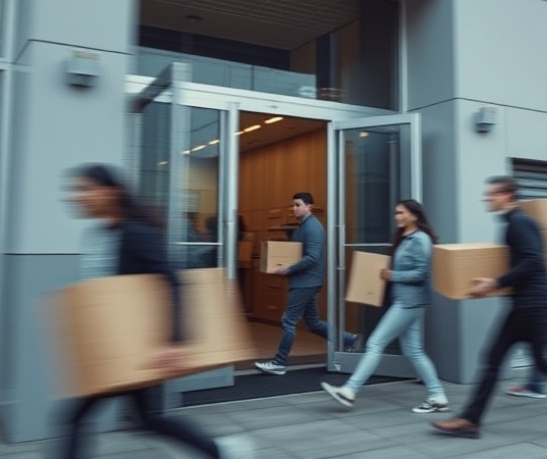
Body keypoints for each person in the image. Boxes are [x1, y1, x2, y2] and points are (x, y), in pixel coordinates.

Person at [61, 164, 253, 459]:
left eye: (86, 189)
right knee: (146, 419)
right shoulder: (99, 234)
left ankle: (220, 450)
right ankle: (219, 451)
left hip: (138, 348)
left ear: (111, 192)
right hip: (115, 347)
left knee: (78, 418)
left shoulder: (135, 233)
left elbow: (173, 282)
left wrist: (172, 342)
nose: (77, 196)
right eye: (76, 190)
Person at [433, 176, 547, 439]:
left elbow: (533, 261)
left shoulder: (518, 222)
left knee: (507, 360)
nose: (487, 199)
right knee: (513, 360)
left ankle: (470, 420)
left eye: (491, 194)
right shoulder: (514, 222)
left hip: (532, 306)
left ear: (507, 195)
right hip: (527, 305)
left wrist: (494, 283)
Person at [321, 200, 449, 413]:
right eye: (396, 213)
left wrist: (392, 275)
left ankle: (350, 390)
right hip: (407, 300)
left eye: (401, 213)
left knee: (375, 343)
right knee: (414, 351)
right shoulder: (406, 238)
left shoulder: (420, 239)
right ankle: (438, 396)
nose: (397, 217)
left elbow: (422, 273)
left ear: (414, 215)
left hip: (409, 301)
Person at [255, 192, 359, 375]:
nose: (294, 208)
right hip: (304, 281)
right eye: (293, 205)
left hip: (306, 282)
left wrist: (289, 269)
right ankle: (349, 339)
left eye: (298, 205)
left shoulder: (313, 228)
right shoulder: (303, 227)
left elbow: (312, 257)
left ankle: (279, 363)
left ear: (309, 206)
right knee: (313, 322)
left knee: (288, 320)